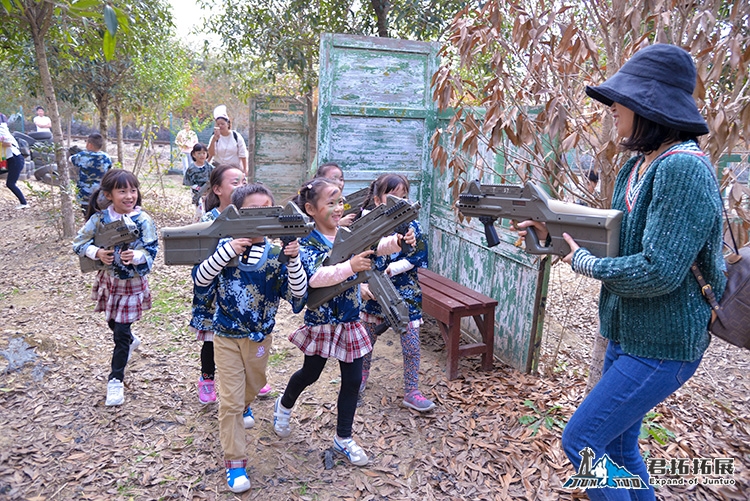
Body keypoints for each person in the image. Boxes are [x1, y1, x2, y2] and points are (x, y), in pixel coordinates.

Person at [516, 44, 725, 499]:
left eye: (621, 101)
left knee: (582, 441)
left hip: (663, 346)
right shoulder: (637, 165)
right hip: (627, 336)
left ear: (650, 106)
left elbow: (660, 270)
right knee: (619, 447)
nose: (613, 109)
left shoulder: (683, 169)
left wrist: (585, 264)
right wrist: (549, 231)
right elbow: (614, 237)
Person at [272, 177, 415, 467]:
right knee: (309, 374)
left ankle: (343, 438)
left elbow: (377, 245)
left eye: (340, 202)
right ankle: (283, 405)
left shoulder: (348, 232)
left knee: (351, 380)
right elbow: (315, 277)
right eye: (330, 203)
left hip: (350, 318)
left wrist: (398, 241)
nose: (338, 208)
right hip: (322, 320)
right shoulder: (307, 241)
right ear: (310, 209)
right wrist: (350, 266)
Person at [193, 183, 307, 493]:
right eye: (250, 211)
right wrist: (229, 250)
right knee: (229, 402)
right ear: (237, 214)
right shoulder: (223, 246)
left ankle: (244, 405)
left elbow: (298, 294)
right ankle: (235, 462)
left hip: (259, 339)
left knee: (253, 386)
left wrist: (293, 259)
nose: (258, 217)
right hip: (226, 336)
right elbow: (201, 279)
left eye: (265, 211)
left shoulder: (274, 255)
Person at [72, 169, 159, 407]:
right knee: (113, 323)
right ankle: (130, 340)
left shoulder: (143, 220)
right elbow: (79, 243)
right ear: (109, 195)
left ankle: (115, 380)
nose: (130, 196)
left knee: (120, 334)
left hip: (131, 284)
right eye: (122, 191)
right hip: (108, 281)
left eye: (133, 190)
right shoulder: (99, 219)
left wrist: (138, 256)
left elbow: (152, 250)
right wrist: (97, 252)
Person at [358, 173, 435, 412]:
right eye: (392, 197)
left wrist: (395, 268)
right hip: (373, 289)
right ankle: (358, 380)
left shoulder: (412, 224)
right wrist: (362, 284)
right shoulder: (367, 225)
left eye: (403, 197)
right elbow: (356, 256)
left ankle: (411, 390)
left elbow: (418, 256)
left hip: (405, 293)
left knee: (411, 344)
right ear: (378, 199)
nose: (399, 202)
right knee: (366, 341)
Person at [188, 164, 246, 405]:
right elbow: (199, 263)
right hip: (214, 294)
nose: (241, 186)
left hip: (243, 292)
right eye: (235, 183)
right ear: (217, 189)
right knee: (211, 341)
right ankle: (207, 379)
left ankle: (252, 378)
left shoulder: (249, 216)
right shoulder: (208, 221)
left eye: (244, 181)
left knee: (246, 340)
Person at [70, 133, 113, 214]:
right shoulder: (106, 157)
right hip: (101, 195)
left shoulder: (82, 156)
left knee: (87, 215)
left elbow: (70, 159)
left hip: (85, 196)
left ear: (89, 145)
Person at [207, 107, 248, 175]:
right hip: (218, 168)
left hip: (234, 168)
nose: (220, 126)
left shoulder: (236, 136)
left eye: (222, 124)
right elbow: (211, 154)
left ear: (228, 124)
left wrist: (245, 169)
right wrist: (214, 140)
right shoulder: (214, 137)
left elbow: (243, 154)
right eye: (218, 124)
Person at [314, 162, 356, 226]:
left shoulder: (344, 202)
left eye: (341, 179)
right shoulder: (314, 201)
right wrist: (338, 223)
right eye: (333, 179)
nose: (339, 183)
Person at [0, 119, 29, 209]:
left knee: (10, 183)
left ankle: (24, 203)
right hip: (8, 160)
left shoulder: (2, 130)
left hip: (15, 159)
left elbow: (8, 144)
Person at [182, 143, 214, 222]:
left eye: (204, 153)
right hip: (196, 192)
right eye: (199, 153)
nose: (202, 155)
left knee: (208, 209)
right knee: (199, 210)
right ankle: (196, 225)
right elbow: (188, 182)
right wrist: (197, 187)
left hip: (209, 192)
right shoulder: (191, 169)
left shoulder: (209, 167)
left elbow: (215, 177)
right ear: (194, 154)